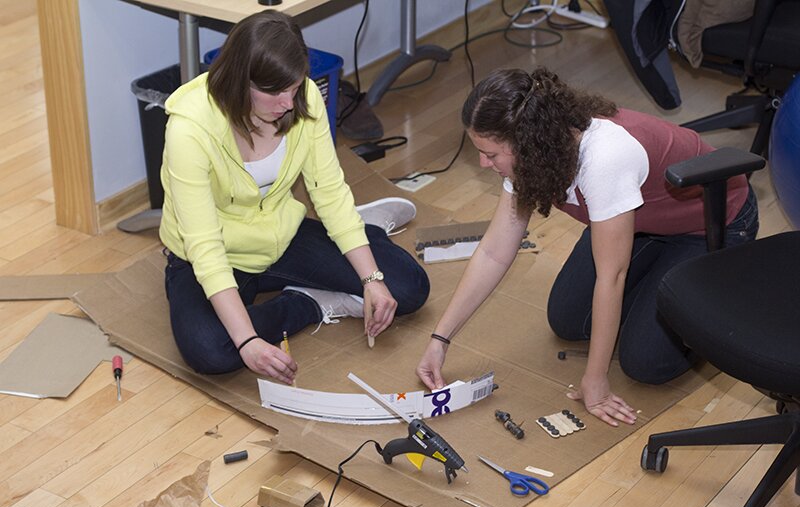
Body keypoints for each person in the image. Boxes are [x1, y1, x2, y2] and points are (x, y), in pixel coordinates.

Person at [416, 67, 758, 426]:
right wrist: (440, 339)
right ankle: (662, 290)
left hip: (708, 225)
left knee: (645, 362)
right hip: (641, 223)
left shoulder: (604, 158)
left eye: (491, 154)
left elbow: (612, 277)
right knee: (567, 319)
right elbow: (493, 252)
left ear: (529, 143)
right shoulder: (532, 159)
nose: (485, 164)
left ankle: (720, 295)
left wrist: (596, 382)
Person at [159, 10, 429, 384]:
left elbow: (329, 192)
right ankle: (309, 303)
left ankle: (363, 232)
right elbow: (204, 246)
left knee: (407, 288)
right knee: (213, 349)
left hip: (280, 235)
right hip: (211, 255)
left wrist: (371, 280)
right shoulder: (188, 130)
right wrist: (249, 339)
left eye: (294, 86)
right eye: (274, 92)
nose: (288, 102)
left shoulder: (301, 98)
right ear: (239, 81)